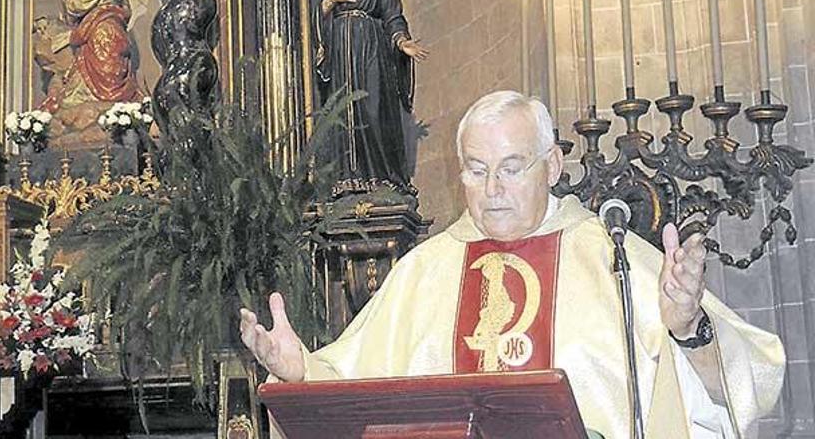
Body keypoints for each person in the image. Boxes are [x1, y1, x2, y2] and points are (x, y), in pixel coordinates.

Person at [240, 91, 785, 438]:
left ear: (552, 164)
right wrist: (302, 372)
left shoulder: (615, 257)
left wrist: (686, 328)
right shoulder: (424, 271)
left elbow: (747, 380)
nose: (492, 190)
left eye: (510, 168)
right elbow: (357, 385)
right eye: (476, 170)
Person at [315, 0, 429, 189]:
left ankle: (382, 177)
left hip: (370, 56)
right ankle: (348, 179)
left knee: (373, 110)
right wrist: (332, 0)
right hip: (341, 63)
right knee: (342, 113)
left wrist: (401, 41)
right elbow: (316, 21)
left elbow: (392, 16)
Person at [40, 0, 142, 114]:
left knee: (105, 68)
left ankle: (102, 101)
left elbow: (80, 4)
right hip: (102, 31)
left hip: (100, 32)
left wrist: (70, 0)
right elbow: (125, 8)